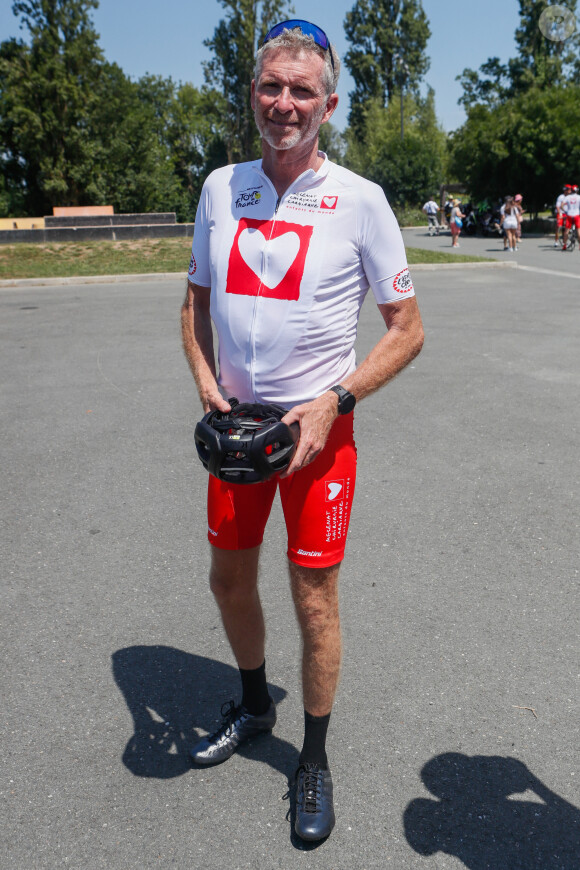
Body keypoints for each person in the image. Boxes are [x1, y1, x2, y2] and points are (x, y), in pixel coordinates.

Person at [180, 19, 424, 842]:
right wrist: (207, 381)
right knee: (227, 581)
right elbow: (194, 304)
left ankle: (312, 756)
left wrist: (334, 402)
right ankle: (255, 703)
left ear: (329, 103)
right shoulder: (221, 187)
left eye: (302, 91)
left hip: (318, 438)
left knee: (313, 598)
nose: (284, 104)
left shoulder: (361, 200)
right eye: (271, 87)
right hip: (236, 437)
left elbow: (406, 328)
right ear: (254, 94)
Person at [562, 184, 580, 251]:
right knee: (578, 230)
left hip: (569, 215)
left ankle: (564, 245)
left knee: (566, 231)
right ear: (577, 190)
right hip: (577, 215)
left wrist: (565, 211)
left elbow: (561, 205)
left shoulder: (567, 197)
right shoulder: (579, 197)